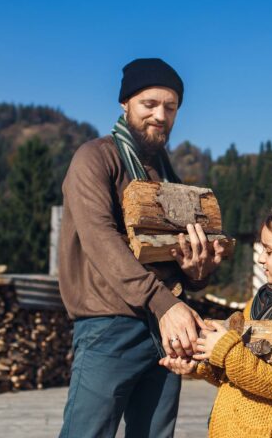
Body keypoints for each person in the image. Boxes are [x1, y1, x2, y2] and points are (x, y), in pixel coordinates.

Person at [58, 58, 226, 438]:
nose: (160, 115)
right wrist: (164, 303)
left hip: (165, 327)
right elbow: (101, 240)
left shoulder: (167, 177)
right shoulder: (96, 158)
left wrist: (196, 271)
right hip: (110, 325)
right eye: (149, 104)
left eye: (170, 107)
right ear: (125, 104)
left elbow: (169, 257)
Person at [160, 201, 272, 438]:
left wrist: (225, 349)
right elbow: (240, 373)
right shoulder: (260, 302)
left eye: (269, 250)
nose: (261, 259)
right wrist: (200, 364)